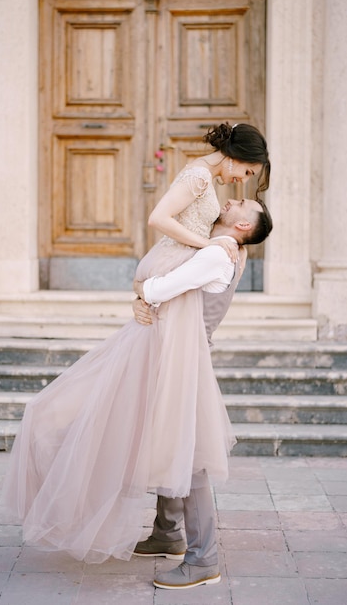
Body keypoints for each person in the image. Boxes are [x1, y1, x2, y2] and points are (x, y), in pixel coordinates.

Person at [0, 123, 271, 566]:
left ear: (242, 226)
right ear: (235, 156)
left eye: (246, 184)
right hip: (166, 330)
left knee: (172, 433)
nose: (242, 183)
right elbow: (160, 222)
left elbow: (174, 279)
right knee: (166, 430)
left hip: (174, 334)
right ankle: (168, 533)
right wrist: (196, 256)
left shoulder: (222, 242)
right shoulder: (203, 186)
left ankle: (192, 549)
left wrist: (153, 289)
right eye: (246, 172)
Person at [131, 198, 273, 590]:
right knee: (169, 442)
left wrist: (140, 289)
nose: (231, 199)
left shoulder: (217, 255)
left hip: (185, 361)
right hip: (173, 354)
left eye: (242, 203)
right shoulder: (219, 248)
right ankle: (167, 532)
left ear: (244, 226)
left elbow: (160, 288)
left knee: (190, 458)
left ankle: (202, 558)